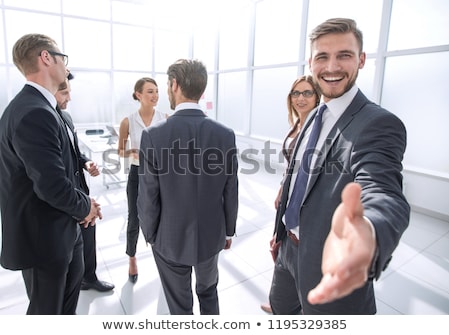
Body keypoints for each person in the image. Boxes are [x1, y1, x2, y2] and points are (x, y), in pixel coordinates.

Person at [269, 18, 410, 315]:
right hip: (286, 251)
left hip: (325, 263)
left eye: (344, 55)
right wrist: (282, 228)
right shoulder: (314, 116)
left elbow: (382, 190)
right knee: (282, 311)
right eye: (322, 57)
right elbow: (301, 171)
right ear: (311, 63)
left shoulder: (378, 124)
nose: (332, 67)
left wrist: (368, 232)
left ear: (360, 60)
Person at [0, 33, 102, 314]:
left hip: (61, 231)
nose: (65, 68)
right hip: (44, 240)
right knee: (47, 314)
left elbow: (61, 169)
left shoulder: (44, 108)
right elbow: (52, 186)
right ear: (46, 58)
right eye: (62, 59)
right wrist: (87, 207)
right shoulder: (34, 112)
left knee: (64, 310)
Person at [137, 59, 239, 315]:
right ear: (201, 90)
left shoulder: (152, 135)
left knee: (179, 306)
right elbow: (231, 188)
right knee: (209, 292)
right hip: (211, 235)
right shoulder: (225, 134)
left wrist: (150, 234)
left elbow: (148, 193)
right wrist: (228, 231)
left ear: (174, 85)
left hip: (168, 239)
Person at [261, 75, 320, 314]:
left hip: (306, 208)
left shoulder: (319, 127)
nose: (300, 98)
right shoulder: (297, 124)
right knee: (281, 249)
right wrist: (282, 187)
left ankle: (292, 306)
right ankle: (280, 302)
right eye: (296, 93)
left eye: (307, 93)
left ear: (318, 96)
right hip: (287, 198)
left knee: (298, 259)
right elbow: (291, 166)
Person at [55, 73, 114, 292]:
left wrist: (87, 163)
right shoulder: (44, 119)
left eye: (69, 91)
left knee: (88, 236)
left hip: (80, 191)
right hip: (64, 194)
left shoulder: (67, 118)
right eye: (64, 92)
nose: (69, 97)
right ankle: (73, 280)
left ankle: (89, 277)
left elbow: (75, 154)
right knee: (69, 243)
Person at [118, 77, 167, 283]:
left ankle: (164, 258)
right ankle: (132, 259)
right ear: (138, 95)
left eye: (156, 91)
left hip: (160, 175)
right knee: (134, 218)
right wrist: (133, 152)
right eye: (149, 91)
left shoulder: (165, 118)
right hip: (137, 175)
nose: (155, 95)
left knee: (163, 217)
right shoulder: (128, 121)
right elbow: (120, 152)